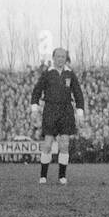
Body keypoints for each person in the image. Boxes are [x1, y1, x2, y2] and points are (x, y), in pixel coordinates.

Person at [30, 48, 86, 185]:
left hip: (66, 110)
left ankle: (62, 176)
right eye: (58, 56)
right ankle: (43, 176)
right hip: (50, 109)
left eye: (63, 56)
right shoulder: (47, 73)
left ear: (66, 58)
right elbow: (36, 91)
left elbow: (78, 93)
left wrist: (80, 113)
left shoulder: (70, 74)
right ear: (53, 58)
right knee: (48, 144)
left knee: (64, 144)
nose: (61, 59)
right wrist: (34, 109)